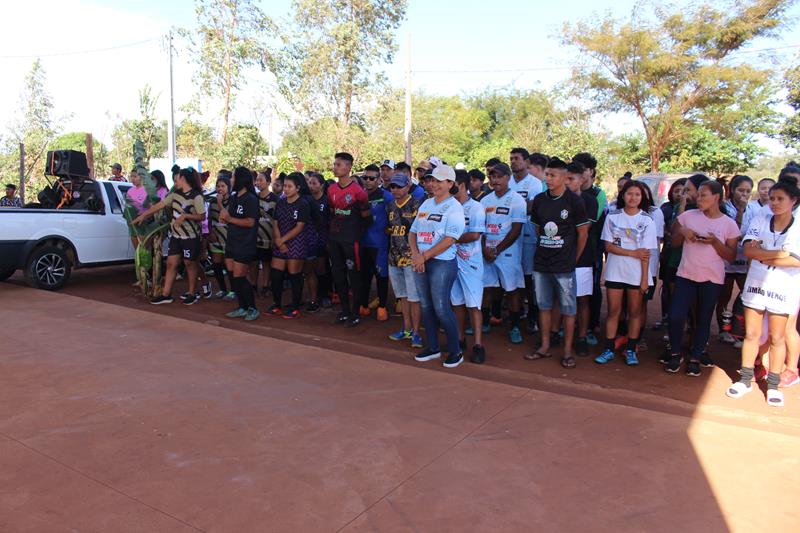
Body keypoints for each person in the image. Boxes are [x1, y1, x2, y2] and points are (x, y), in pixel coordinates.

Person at [727, 180, 800, 407]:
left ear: (793, 201)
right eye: (772, 199)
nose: (774, 203)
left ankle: (774, 385)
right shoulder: (760, 219)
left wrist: (764, 253)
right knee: (752, 334)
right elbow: (748, 250)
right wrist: (778, 254)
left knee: (777, 337)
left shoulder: (798, 226)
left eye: (780, 199)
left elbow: (796, 261)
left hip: (783, 288)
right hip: (756, 285)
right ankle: (745, 379)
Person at [665, 180, 739, 376]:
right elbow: (674, 243)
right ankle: (674, 354)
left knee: (703, 319)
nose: (698, 199)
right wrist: (683, 232)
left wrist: (714, 242)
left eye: (703, 195)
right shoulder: (688, 216)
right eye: (698, 195)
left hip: (712, 279)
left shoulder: (728, 224)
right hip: (686, 275)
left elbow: (730, 256)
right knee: (676, 316)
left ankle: (696, 357)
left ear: (716, 197)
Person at [527, 157, 589, 368]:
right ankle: (544, 346)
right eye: (547, 175)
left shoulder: (575, 201)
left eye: (553, 175)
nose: (548, 179)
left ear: (564, 177)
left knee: (568, 309)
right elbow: (537, 229)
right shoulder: (540, 200)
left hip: (564, 265)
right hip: (542, 263)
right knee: (543, 306)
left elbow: (583, 233)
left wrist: (573, 259)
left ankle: (567, 351)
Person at [594, 180, 657, 366]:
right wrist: (632, 253)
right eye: (630, 193)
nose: (633, 198)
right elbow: (608, 246)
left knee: (635, 312)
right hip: (615, 272)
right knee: (614, 311)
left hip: (637, 275)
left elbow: (646, 254)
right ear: (623, 195)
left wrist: (645, 279)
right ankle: (609, 348)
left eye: (637, 194)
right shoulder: (613, 217)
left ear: (642, 198)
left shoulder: (647, 220)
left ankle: (631, 349)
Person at [409, 165, 466, 368]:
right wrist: (416, 255)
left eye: (439, 181)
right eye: (431, 180)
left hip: (442, 263)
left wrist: (424, 256)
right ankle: (433, 347)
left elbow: (451, 238)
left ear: (450, 184)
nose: (433, 184)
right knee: (426, 306)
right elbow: (413, 232)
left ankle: (455, 351)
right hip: (421, 261)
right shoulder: (426, 204)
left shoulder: (455, 207)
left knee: (442, 308)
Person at [132, 168, 205, 305]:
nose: (175, 181)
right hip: (176, 237)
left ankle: (192, 292)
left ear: (183, 179)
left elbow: (202, 216)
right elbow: (160, 205)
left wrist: (186, 216)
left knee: (190, 263)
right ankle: (166, 294)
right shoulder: (175, 195)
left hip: (190, 237)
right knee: (171, 264)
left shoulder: (197, 197)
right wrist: (143, 215)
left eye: (177, 179)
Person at [480, 162, 527, 344]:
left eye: (499, 176)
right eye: (492, 176)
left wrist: (497, 249)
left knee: (512, 290)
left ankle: (515, 327)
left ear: (508, 178)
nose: (495, 180)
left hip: (508, 253)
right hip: (487, 252)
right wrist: (485, 248)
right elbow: (481, 229)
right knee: (487, 288)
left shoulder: (517, 200)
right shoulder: (485, 201)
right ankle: (485, 322)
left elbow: (516, 229)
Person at [327, 152, 371, 327]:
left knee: (354, 276)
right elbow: (331, 213)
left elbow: (366, 217)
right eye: (335, 164)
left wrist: (356, 235)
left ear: (348, 167)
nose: (335, 167)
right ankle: (344, 311)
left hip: (351, 240)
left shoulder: (359, 192)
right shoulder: (331, 190)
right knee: (338, 275)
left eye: (339, 164)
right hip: (335, 239)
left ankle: (355, 312)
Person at [451, 169, 488, 363]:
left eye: (452, 183)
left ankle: (478, 345)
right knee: (456, 303)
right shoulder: (448, 206)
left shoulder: (476, 208)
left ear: (462, 185)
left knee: (474, 305)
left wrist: (450, 240)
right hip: (451, 261)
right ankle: (459, 339)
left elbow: (475, 235)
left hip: (471, 263)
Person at [508, 148, 544, 336]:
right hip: (509, 236)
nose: (513, 162)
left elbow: (532, 208)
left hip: (529, 234)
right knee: (514, 275)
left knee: (529, 278)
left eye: (517, 158)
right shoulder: (509, 181)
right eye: (511, 159)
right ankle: (517, 313)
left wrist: (511, 210)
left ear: (526, 161)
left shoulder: (535, 183)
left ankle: (532, 316)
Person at [717, 175, 756, 344]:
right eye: (741, 190)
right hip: (726, 260)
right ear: (732, 190)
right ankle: (723, 330)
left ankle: (740, 331)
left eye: (748, 191)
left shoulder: (754, 209)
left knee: (746, 295)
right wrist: (740, 210)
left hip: (744, 260)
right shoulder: (725, 208)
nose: (744, 194)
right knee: (724, 297)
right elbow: (733, 233)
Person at [564, 162, 598, 357]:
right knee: (561, 299)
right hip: (559, 257)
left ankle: (582, 336)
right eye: (565, 178)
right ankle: (558, 332)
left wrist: (574, 257)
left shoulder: (590, 201)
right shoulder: (555, 199)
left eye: (572, 179)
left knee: (582, 299)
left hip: (582, 258)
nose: (568, 183)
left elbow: (583, 231)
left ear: (582, 179)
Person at [386, 173, 423, 348]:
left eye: (399, 186)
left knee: (414, 297)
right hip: (394, 257)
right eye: (392, 186)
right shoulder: (390, 206)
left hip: (411, 258)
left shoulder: (417, 205)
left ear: (408, 186)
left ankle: (416, 332)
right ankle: (406, 328)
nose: (395, 190)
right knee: (403, 296)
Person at [574, 152, 607, 345]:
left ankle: (592, 326)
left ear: (591, 172)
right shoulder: (569, 192)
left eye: (584, 169)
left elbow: (590, 224)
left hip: (592, 248)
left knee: (592, 288)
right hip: (571, 248)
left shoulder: (598, 194)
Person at [268, 172, 311, 318]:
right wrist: (279, 241)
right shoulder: (280, 202)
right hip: (280, 241)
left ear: (298, 188)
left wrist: (283, 240)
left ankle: (295, 306)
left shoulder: (303, 204)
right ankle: (277, 304)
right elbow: (275, 223)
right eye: (285, 186)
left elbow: (300, 227)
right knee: (276, 275)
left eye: (289, 186)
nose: (286, 189)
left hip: (296, 242)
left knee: (295, 275)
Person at [222, 167, 260, 321]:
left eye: (233, 177)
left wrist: (229, 219)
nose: (231, 179)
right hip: (232, 240)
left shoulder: (251, 199)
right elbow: (229, 216)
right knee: (232, 275)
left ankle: (252, 308)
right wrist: (224, 217)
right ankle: (242, 306)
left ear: (240, 179)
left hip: (245, 243)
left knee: (240, 277)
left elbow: (250, 222)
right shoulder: (233, 197)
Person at [358, 164, 393, 321]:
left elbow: (394, 219)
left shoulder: (387, 197)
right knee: (364, 276)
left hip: (380, 244)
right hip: (363, 243)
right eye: (365, 178)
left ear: (379, 180)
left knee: (381, 276)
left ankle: (382, 307)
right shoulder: (359, 195)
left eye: (371, 178)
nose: (367, 181)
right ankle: (363, 305)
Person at [656, 178, 687, 329]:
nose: (679, 194)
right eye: (676, 191)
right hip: (668, 253)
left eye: (684, 191)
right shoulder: (666, 208)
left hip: (684, 255)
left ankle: (681, 322)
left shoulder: (692, 208)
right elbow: (663, 229)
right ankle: (665, 317)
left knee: (681, 289)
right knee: (667, 286)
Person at [304, 172, 332, 310]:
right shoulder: (306, 200)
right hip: (309, 239)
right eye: (309, 183)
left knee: (321, 267)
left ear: (322, 185)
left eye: (314, 183)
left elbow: (330, 222)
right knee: (310, 268)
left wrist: (328, 240)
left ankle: (325, 295)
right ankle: (313, 296)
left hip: (322, 238)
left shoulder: (327, 201)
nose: (311, 186)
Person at [208, 172, 235, 300]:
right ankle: (223, 289)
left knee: (229, 264)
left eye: (223, 186)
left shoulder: (233, 201)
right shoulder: (212, 201)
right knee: (216, 262)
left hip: (229, 236)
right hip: (216, 236)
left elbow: (226, 216)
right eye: (218, 186)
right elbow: (209, 218)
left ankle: (233, 290)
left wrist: (220, 203)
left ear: (228, 187)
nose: (220, 189)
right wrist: (211, 231)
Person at [255, 170, 277, 298]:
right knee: (253, 262)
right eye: (257, 180)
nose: (258, 182)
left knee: (266, 262)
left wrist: (275, 237)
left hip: (268, 237)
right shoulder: (253, 197)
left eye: (261, 180)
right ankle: (253, 284)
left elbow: (276, 220)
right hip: (254, 237)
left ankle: (265, 285)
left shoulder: (275, 199)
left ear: (268, 182)